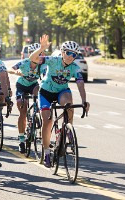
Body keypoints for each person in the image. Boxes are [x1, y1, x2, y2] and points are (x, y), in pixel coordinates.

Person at [29, 34, 90, 168]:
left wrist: (84, 101)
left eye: (73, 55)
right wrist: (41, 48)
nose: (70, 56)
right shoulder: (52, 60)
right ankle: (46, 152)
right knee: (47, 121)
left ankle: (67, 129)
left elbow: (80, 84)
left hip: (61, 92)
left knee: (69, 105)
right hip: (45, 92)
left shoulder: (74, 67)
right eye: (68, 53)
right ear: (62, 52)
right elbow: (32, 59)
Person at [8, 43, 47, 153]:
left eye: (40, 54)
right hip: (22, 86)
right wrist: (16, 71)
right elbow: (9, 68)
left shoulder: (42, 65)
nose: (38, 57)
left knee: (40, 92)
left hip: (33, 85)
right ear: (30, 55)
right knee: (23, 109)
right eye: (35, 54)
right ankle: (21, 139)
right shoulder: (24, 63)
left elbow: (45, 75)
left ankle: (36, 111)